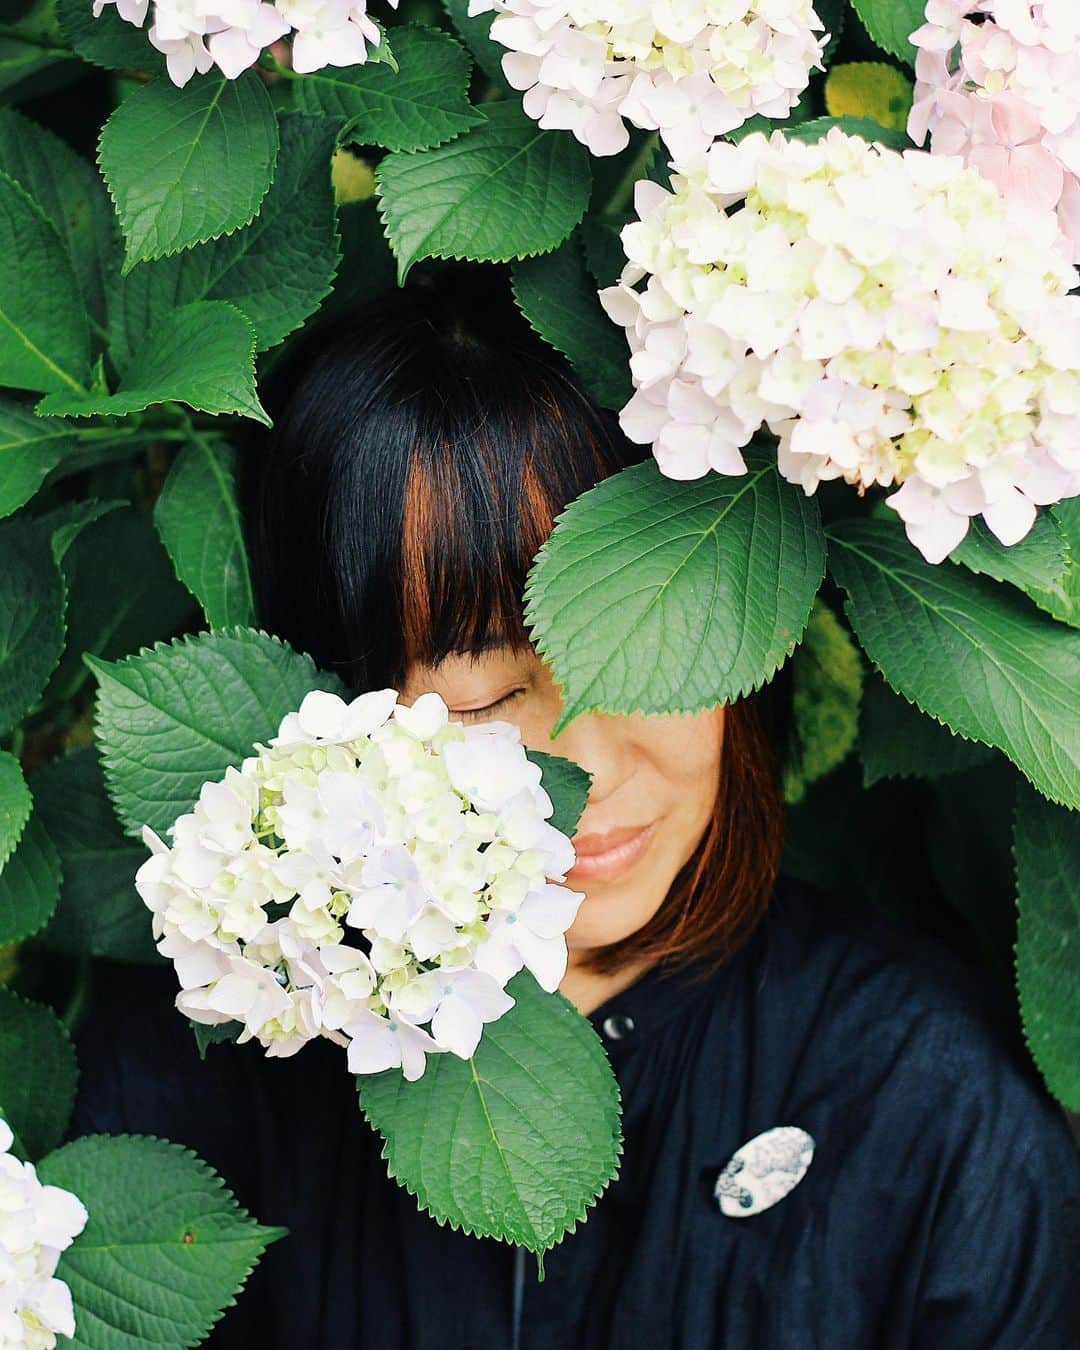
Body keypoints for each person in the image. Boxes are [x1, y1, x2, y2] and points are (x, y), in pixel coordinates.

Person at [69, 265, 1078, 1348]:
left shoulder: (930, 1107)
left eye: (641, 654)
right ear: (331, 707)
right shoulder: (200, 1080)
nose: (583, 766)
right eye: (483, 693)